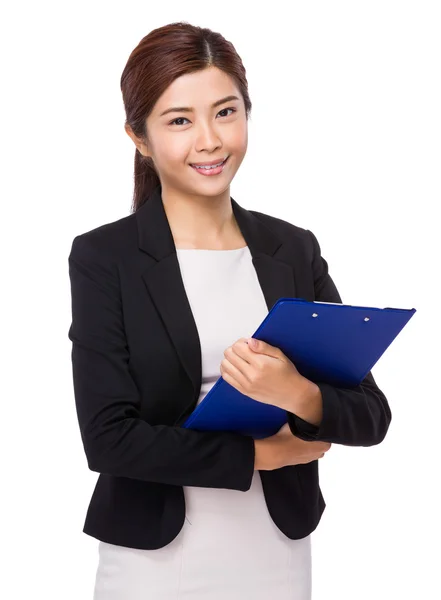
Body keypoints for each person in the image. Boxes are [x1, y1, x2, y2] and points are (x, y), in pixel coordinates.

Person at [67, 22, 392, 600]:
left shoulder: (292, 249)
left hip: (276, 550)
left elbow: (370, 415)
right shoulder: (105, 257)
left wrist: (298, 393)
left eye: (226, 111)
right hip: (154, 559)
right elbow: (109, 439)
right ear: (138, 137)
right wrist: (260, 455)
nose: (210, 140)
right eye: (179, 120)